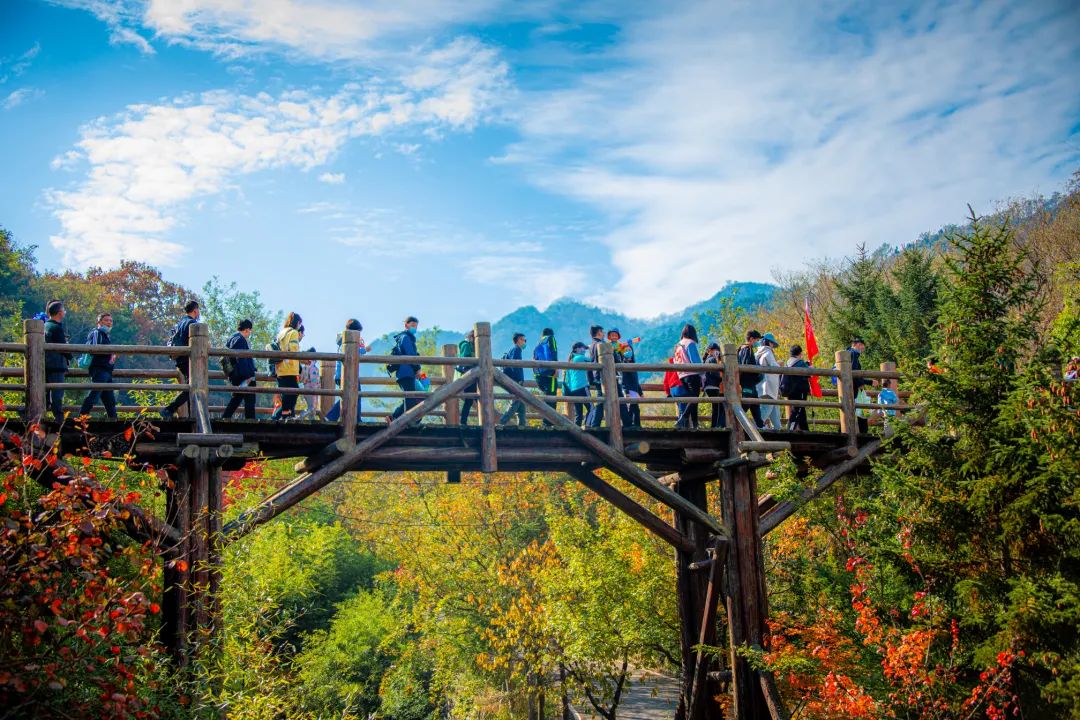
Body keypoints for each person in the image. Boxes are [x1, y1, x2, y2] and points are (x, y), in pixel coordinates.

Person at [161, 300, 200, 419]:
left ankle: (189, 415)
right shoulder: (192, 324)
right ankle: (169, 409)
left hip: (179, 359)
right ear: (195, 310)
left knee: (190, 386)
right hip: (188, 360)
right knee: (193, 387)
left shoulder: (179, 323)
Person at [326, 319, 367, 423]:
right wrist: (365, 349)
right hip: (347, 374)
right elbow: (354, 353)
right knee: (353, 395)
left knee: (351, 395)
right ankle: (332, 416)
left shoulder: (342, 341)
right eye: (358, 332)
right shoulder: (347, 341)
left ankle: (354, 417)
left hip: (342, 374)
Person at [78, 312, 118, 419]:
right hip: (99, 370)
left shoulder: (105, 335)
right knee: (94, 395)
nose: (109, 322)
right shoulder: (96, 332)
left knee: (109, 399)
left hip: (106, 370)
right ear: (99, 322)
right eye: (106, 320)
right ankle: (81, 418)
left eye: (111, 321)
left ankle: (114, 421)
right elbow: (94, 350)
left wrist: (111, 356)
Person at [221, 319, 258, 420]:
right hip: (244, 376)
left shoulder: (232, 338)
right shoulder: (240, 340)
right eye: (250, 331)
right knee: (250, 401)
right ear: (247, 330)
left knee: (236, 399)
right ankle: (251, 424)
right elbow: (242, 360)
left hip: (236, 375)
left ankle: (225, 418)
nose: (249, 333)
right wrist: (249, 376)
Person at [270, 313, 303, 421]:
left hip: (280, 368)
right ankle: (281, 416)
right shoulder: (293, 332)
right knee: (294, 392)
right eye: (299, 324)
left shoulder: (281, 333)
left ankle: (286, 415)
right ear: (297, 323)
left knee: (287, 394)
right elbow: (293, 350)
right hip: (289, 368)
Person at [43, 301, 71, 422]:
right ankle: (59, 418)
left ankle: (42, 413)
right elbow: (62, 347)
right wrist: (70, 356)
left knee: (46, 391)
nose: (64, 312)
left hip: (46, 363)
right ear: (60, 313)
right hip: (56, 364)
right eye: (63, 310)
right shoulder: (56, 328)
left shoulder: (45, 325)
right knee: (57, 393)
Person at [389, 316, 421, 420]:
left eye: (416, 326)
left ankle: (394, 417)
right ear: (406, 325)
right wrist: (417, 369)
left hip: (407, 373)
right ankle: (402, 420)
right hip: (406, 372)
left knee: (411, 398)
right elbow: (411, 355)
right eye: (412, 325)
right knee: (411, 398)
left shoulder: (406, 338)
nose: (414, 328)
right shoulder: (405, 337)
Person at [674, 324, 704, 428]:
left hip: (682, 375)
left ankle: (695, 425)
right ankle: (684, 418)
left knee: (692, 399)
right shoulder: (690, 343)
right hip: (692, 374)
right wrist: (702, 374)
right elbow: (695, 361)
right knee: (695, 398)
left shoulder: (678, 345)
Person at [498, 333, 528, 426]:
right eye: (524, 340)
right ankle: (502, 421)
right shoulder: (516, 349)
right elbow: (516, 365)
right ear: (519, 340)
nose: (525, 342)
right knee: (516, 402)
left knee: (521, 403)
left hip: (513, 379)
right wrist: (519, 379)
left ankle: (522, 425)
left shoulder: (513, 349)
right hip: (516, 380)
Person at [781, 345, 811, 431]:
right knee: (797, 411)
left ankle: (805, 430)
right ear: (800, 353)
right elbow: (809, 373)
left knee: (800, 411)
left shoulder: (789, 362)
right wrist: (810, 367)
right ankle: (789, 430)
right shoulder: (800, 363)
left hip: (791, 391)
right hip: (800, 391)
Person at [738, 330, 765, 428]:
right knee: (746, 404)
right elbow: (747, 366)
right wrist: (757, 371)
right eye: (756, 340)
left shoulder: (742, 349)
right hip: (747, 382)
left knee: (755, 405)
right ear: (751, 339)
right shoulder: (747, 349)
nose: (757, 342)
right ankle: (737, 423)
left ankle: (760, 425)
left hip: (750, 383)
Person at [755, 333, 782, 430]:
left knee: (775, 418)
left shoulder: (757, 354)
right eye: (772, 343)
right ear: (768, 342)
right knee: (764, 413)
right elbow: (774, 367)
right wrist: (779, 364)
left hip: (762, 386)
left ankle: (778, 434)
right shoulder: (768, 352)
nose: (772, 346)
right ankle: (755, 430)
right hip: (769, 388)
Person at [532, 328, 559, 424]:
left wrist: (536, 374)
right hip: (550, 374)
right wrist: (556, 368)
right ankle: (550, 422)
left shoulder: (538, 344)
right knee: (552, 398)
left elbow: (534, 359)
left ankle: (546, 421)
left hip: (539, 375)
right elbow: (554, 352)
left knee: (547, 398)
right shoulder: (551, 338)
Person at [616, 332, 642, 428]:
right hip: (628, 390)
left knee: (634, 408)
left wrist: (640, 391)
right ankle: (634, 426)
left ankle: (634, 426)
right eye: (626, 350)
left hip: (634, 390)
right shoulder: (623, 364)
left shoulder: (633, 364)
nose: (628, 351)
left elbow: (636, 380)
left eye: (629, 349)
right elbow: (623, 379)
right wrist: (626, 391)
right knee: (632, 408)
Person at [563, 342, 591, 427]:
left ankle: (577, 428)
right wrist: (592, 349)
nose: (584, 350)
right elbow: (593, 360)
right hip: (582, 386)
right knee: (591, 408)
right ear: (576, 349)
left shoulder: (570, 360)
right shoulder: (580, 358)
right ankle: (588, 426)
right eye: (583, 348)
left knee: (579, 413)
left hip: (573, 389)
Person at [586, 325, 606, 427]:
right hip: (603, 376)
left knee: (601, 399)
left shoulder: (592, 345)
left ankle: (595, 424)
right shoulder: (600, 344)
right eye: (602, 332)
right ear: (599, 332)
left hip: (595, 375)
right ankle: (595, 424)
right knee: (601, 400)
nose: (604, 334)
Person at [702, 342, 725, 428]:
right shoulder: (711, 360)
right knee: (719, 406)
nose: (717, 352)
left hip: (709, 387)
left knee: (716, 406)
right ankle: (718, 425)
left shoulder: (706, 360)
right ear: (710, 351)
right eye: (716, 350)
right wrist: (723, 377)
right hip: (713, 386)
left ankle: (714, 426)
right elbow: (715, 374)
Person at [457, 329, 477, 425]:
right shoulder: (466, 345)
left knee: (471, 399)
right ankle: (463, 422)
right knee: (470, 399)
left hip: (474, 375)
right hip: (469, 375)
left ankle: (463, 421)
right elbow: (465, 359)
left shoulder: (472, 346)